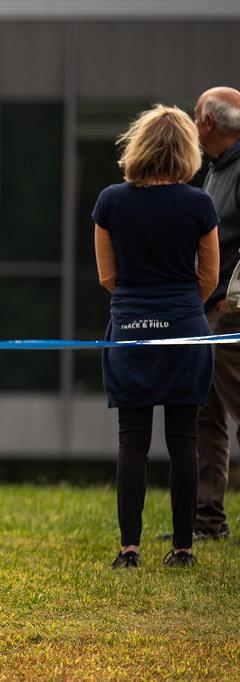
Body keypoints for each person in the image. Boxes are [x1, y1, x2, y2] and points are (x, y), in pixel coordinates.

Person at [93, 104, 219, 569]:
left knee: (132, 441)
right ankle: (184, 548)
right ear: (186, 150)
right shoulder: (199, 203)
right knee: (185, 439)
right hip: (187, 327)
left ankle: (129, 549)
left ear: (138, 146)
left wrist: (141, 305)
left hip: (130, 327)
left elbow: (109, 277)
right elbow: (209, 275)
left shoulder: (111, 201)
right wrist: (182, 307)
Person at [192, 86, 240, 543]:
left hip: (232, 315)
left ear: (208, 122)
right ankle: (207, 521)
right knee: (206, 415)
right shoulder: (217, 170)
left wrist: (233, 298)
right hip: (209, 313)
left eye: (195, 115)